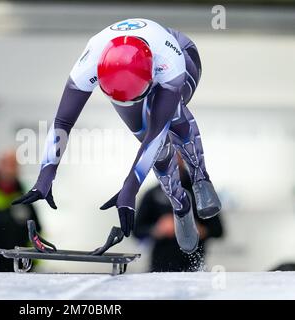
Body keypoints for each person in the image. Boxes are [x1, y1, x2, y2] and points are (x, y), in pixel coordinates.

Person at [13, 18, 221, 254]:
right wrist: (46, 173)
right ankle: (180, 204)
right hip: (132, 76)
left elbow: (156, 135)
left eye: (132, 98)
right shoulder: (89, 63)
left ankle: (199, 176)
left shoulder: (169, 65)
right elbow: (63, 121)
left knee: (172, 119)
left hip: (183, 57)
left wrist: (129, 188)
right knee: (158, 150)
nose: (130, 104)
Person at [133, 155, 223, 272]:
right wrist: (158, 229)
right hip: (160, 268)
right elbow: (137, 231)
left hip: (194, 268)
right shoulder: (152, 194)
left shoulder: (201, 192)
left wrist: (194, 229)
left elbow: (218, 230)